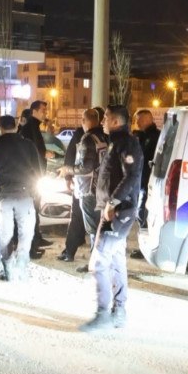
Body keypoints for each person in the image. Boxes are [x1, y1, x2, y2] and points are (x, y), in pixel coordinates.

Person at [79, 105, 142, 332]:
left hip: (118, 212)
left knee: (99, 262)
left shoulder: (126, 143)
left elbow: (131, 176)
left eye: (105, 117)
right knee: (116, 260)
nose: (102, 121)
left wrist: (113, 202)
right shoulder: (117, 142)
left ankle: (103, 314)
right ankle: (119, 311)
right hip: (114, 210)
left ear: (115, 121)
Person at [0, 114, 40, 281]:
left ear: (0, 129)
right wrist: (34, 190)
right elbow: (38, 171)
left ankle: (7, 267)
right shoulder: (28, 145)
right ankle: (22, 266)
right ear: (16, 127)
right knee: (26, 233)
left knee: (5, 234)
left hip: (3, 196)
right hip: (25, 195)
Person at [60, 108, 108, 263]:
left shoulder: (87, 139)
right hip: (101, 188)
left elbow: (85, 167)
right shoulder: (104, 137)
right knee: (99, 226)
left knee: (93, 229)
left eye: (83, 119)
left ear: (85, 121)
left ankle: (94, 262)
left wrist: (68, 170)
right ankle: (98, 261)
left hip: (87, 190)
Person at [22, 100, 51, 251]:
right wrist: (45, 154)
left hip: (36, 175)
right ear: (34, 111)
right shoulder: (29, 128)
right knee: (32, 208)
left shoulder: (34, 127)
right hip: (32, 176)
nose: (45, 113)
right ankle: (33, 243)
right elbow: (33, 150)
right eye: (43, 110)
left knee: (35, 207)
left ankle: (37, 238)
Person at [132, 109, 161, 228]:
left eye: (138, 120)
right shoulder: (145, 136)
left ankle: (144, 231)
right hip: (144, 180)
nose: (137, 123)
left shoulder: (154, 138)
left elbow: (144, 158)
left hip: (148, 180)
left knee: (142, 211)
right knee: (141, 210)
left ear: (146, 120)